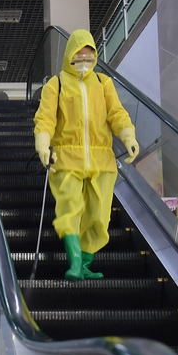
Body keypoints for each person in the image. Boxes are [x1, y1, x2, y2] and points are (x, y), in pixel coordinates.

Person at [32, 28, 138, 281]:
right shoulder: (55, 84)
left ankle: (87, 264)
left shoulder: (103, 83)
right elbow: (45, 118)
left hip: (102, 160)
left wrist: (128, 136)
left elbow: (117, 113)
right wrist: (43, 144)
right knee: (70, 209)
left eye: (89, 53)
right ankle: (75, 262)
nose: (84, 58)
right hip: (66, 158)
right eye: (79, 53)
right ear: (70, 54)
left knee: (99, 217)